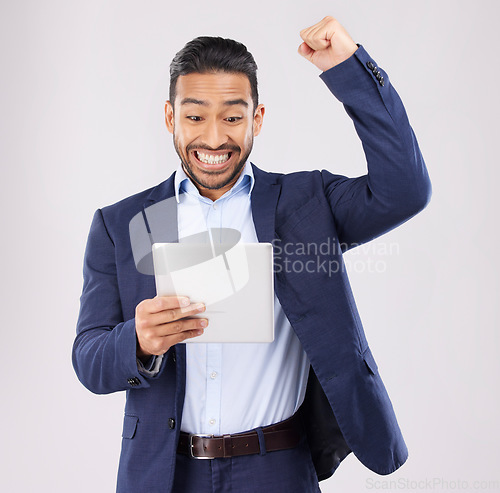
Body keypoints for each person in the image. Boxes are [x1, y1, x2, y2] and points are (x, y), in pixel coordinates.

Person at [73, 15, 431, 493]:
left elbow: (405, 190)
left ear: (256, 119)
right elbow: (88, 358)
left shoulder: (306, 204)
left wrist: (348, 67)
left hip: (277, 466)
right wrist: (136, 341)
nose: (215, 138)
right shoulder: (122, 225)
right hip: (165, 473)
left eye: (233, 117)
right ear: (169, 118)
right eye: (195, 116)